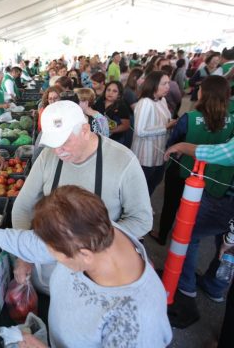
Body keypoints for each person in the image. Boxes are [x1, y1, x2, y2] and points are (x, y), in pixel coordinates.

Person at [0, 185, 172, 348]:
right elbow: (38, 244)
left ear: (84, 256)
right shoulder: (95, 229)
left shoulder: (138, 322)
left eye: (56, 255)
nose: (49, 255)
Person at [13, 100, 152, 294]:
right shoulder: (47, 158)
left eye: (64, 141)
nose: (58, 150)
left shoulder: (124, 161)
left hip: (101, 267)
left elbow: (141, 220)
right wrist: (24, 255)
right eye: (53, 143)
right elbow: (22, 207)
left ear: (85, 130)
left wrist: (94, 243)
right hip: (51, 268)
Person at [164, 139, 234, 347]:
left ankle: (186, 286)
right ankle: (215, 286)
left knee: (189, 235)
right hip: (225, 201)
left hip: (223, 201)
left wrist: (180, 147)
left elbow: (214, 154)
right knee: (221, 245)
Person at [152, 75, 234, 245]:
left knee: (171, 204)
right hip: (210, 176)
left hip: (181, 171)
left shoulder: (189, 118)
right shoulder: (231, 120)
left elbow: (172, 143)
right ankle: (186, 239)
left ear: (203, 93)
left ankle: (162, 235)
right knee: (194, 213)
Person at [131, 71, 177, 196]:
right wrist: (166, 126)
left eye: (168, 83)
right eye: (164, 83)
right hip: (145, 154)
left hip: (159, 151)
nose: (168, 86)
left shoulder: (162, 100)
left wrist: (173, 123)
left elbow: (163, 120)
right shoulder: (146, 102)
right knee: (141, 186)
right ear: (154, 85)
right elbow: (140, 131)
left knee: (154, 181)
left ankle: (145, 205)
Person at [93, 81, 131, 145]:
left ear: (119, 95)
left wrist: (108, 131)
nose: (110, 93)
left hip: (115, 140)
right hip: (99, 137)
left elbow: (125, 126)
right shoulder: (99, 102)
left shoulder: (122, 106)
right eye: (108, 90)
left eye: (114, 91)